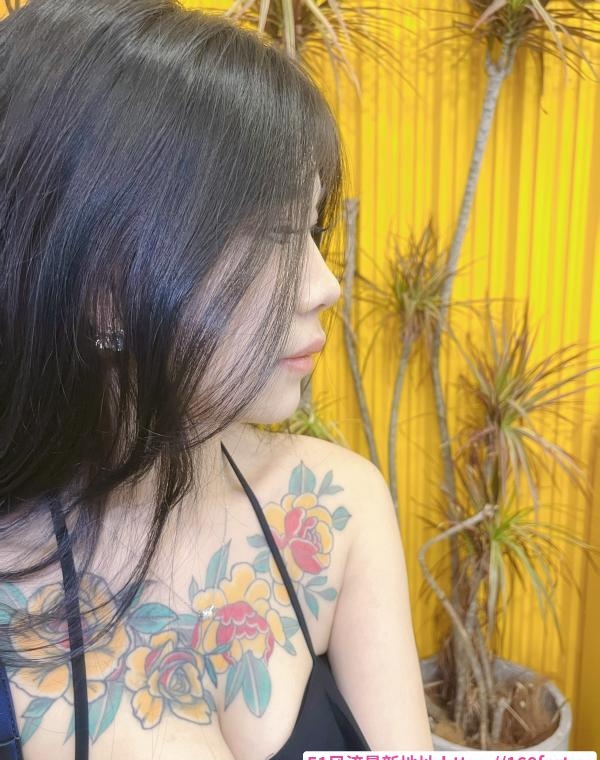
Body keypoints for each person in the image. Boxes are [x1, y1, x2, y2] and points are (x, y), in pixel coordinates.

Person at [0, 0, 433, 757]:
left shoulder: (336, 508)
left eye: (312, 229)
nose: (326, 285)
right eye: (272, 236)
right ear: (101, 287)